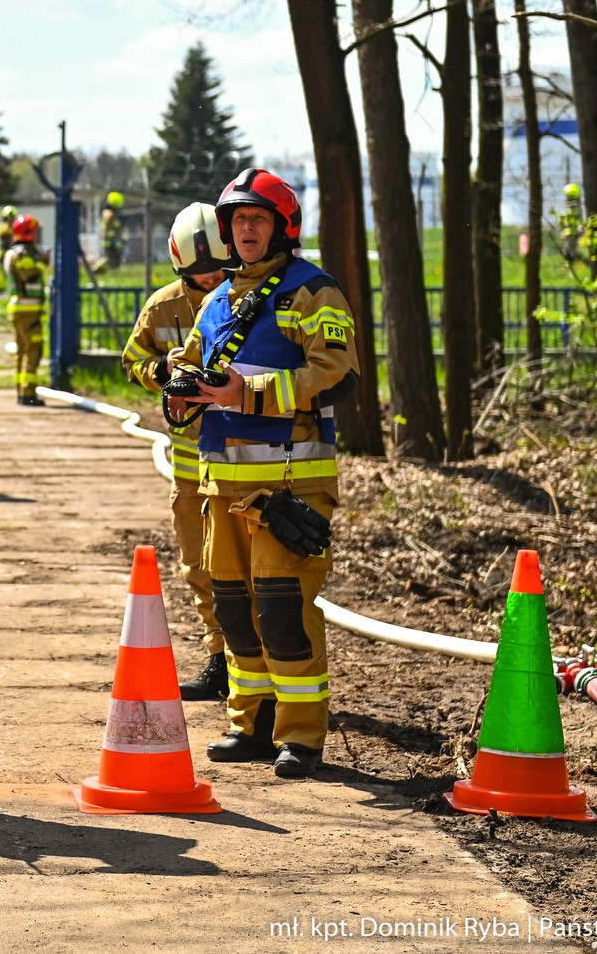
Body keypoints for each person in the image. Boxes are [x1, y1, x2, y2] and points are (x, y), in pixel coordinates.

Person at [174, 168, 358, 780]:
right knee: (233, 610)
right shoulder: (217, 299)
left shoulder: (313, 291)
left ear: (283, 227)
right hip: (219, 484)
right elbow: (198, 373)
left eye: (257, 219)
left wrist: (245, 393)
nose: (245, 230)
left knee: (282, 609)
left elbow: (336, 372)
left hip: (287, 483)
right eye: (237, 221)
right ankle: (248, 723)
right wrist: (182, 394)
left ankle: (301, 736)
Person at [122, 203, 232, 700]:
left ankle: (254, 667)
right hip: (191, 466)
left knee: (252, 572)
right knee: (199, 566)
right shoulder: (164, 308)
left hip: (246, 461)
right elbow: (133, 358)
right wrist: (163, 375)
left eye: (218, 272)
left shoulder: (252, 299)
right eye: (198, 275)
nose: (210, 281)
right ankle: (219, 660)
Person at [2, 213, 48, 406]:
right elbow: (28, 274)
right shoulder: (22, 253)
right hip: (27, 309)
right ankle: (28, 393)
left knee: (22, 350)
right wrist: (43, 262)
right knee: (32, 348)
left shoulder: (15, 251)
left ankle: (22, 393)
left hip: (21, 309)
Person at [98, 191, 126, 272]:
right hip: (111, 242)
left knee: (113, 259)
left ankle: (99, 271)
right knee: (111, 260)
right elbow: (107, 228)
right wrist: (112, 239)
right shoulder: (109, 214)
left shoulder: (111, 214)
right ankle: (97, 270)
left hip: (114, 241)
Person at [0, 204, 16, 289]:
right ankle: (7, 287)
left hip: (14, 252)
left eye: (12, 216)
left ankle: (13, 286)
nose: (10, 218)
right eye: (8, 217)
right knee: (6, 271)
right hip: (4, 252)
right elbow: (3, 233)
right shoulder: (1, 225)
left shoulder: (14, 225)